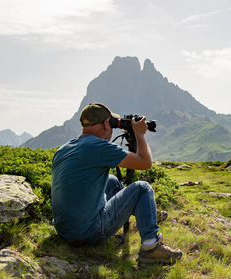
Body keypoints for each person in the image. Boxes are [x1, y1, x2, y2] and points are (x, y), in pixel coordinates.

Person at [51, 103, 182, 264]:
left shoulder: (64, 148)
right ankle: (151, 247)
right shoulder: (99, 147)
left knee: (111, 180)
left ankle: (147, 213)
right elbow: (145, 163)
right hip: (87, 234)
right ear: (106, 124)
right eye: (112, 125)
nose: (113, 130)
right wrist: (139, 134)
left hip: (64, 231)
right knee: (142, 188)